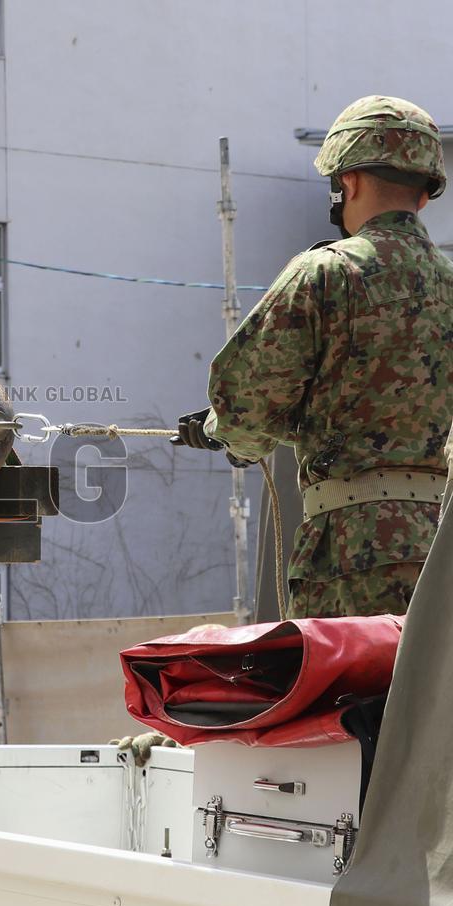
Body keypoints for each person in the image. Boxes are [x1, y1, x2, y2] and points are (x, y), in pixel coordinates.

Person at [173, 95, 453, 619]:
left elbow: (247, 404)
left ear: (347, 182)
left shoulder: (326, 274)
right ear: (425, 194)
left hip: (352, 551)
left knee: (350, 699)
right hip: (443, 551)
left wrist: (224, 436)